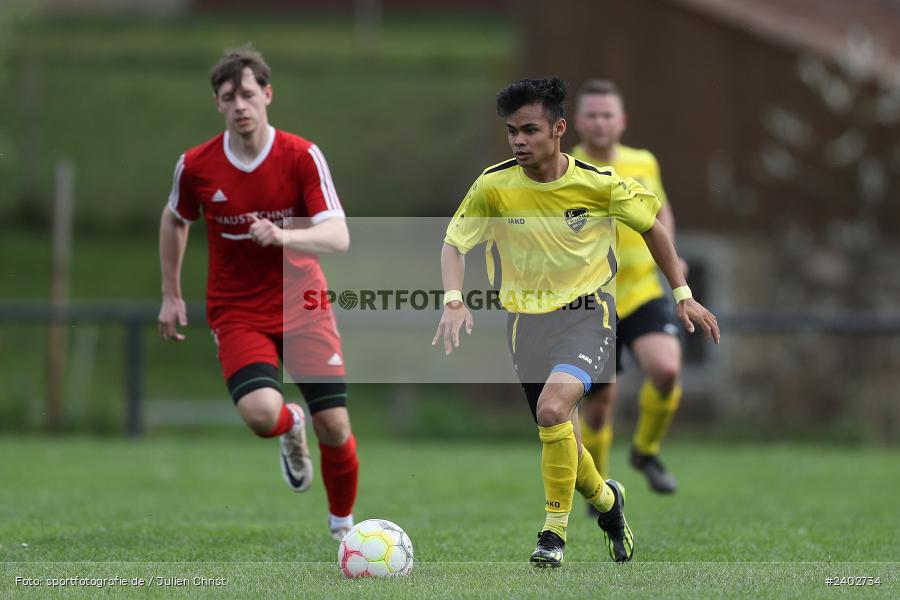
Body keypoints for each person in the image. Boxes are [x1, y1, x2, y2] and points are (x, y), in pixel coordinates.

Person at [433, 77, 719, 567]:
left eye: (529, 130)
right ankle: (609, 504)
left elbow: (653, 226)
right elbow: (455, 243)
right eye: (511, 132)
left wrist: (683, 294)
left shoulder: (598, 182)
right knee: (565, 436)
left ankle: (553, 533)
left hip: (589, 314)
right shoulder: (494, 185)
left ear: (559, 129)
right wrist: (454, 299)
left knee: (552, 410)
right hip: (525, 323)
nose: (519, 141)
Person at [158, 45, 359, 541]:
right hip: (237, 309)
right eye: (229, 97)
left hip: (303, 306)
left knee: (334, 425)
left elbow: (339, 236)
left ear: (268, 95)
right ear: (218, 105)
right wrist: (171, 292)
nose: (240, 104)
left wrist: (284, 236)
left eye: (249, 93)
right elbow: (174, 219)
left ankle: (343, 531)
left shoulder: (301, 156)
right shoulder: (197, 165)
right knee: (259, 413)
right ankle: (290, 424)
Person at [572, 79, 686, 495]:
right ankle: (597, 486)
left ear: (622, 121)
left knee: (667, 368)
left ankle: (646, 451)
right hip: (594, 302)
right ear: (576, 122)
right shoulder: (567, 169)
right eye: (592, 115)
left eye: (608, 115)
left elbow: (662, 211)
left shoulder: (644, 162)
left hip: (641, 289)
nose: (600, 123)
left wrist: (670, 257)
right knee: (599, 408)